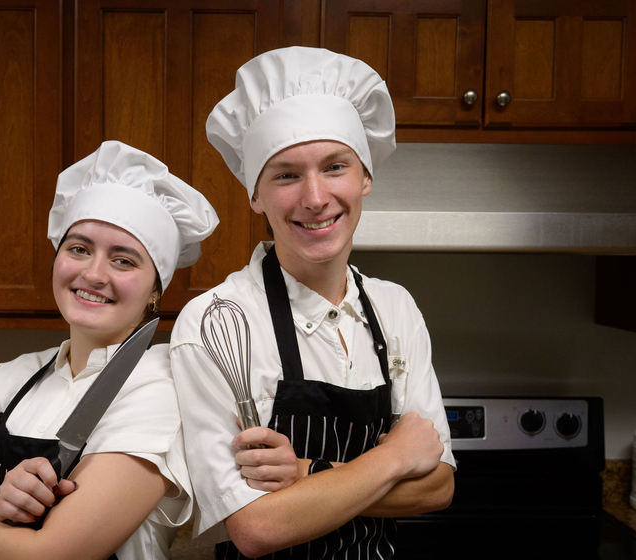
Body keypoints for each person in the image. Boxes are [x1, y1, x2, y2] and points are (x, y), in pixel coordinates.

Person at [170, 47, 456, 559]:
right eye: (286, 174)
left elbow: (439, 487)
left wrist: (304, 473)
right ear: (254, 194)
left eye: (335, 166)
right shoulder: (216, 321)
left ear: (365, 177)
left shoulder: (396, 309)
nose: (316, 197)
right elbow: (257, 527)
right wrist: (394, 458)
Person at [0, 141, 219, 560]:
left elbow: (44, 556)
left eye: (124, 260)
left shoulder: (163, 385)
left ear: (155, 290)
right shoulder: (12, 376)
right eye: (79, 249)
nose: (94, 274)